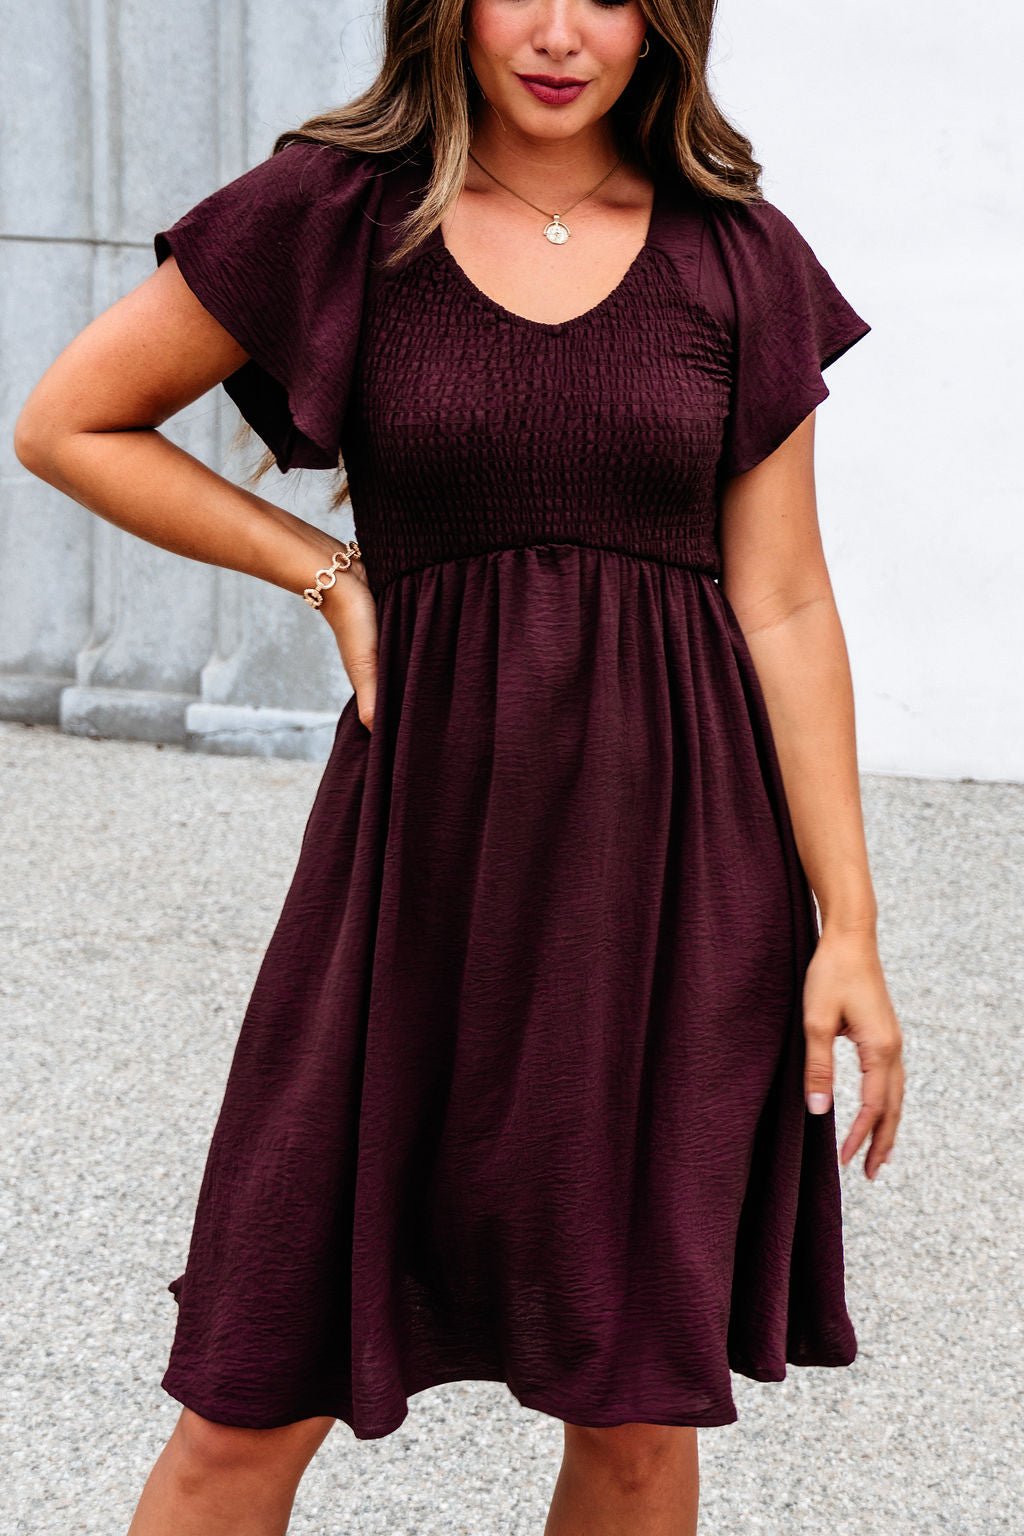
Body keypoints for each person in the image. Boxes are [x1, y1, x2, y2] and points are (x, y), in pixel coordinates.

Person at [13, 0, 906, 1531]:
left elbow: (785, 597)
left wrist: (853, 932)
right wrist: (326, 572)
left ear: (668, 19)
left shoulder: (735, 253)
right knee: (245, 1397)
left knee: (632, 1418)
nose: (560, 31)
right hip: (409, 873)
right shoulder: (339, 213)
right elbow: (73, 421)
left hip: (676, 887)